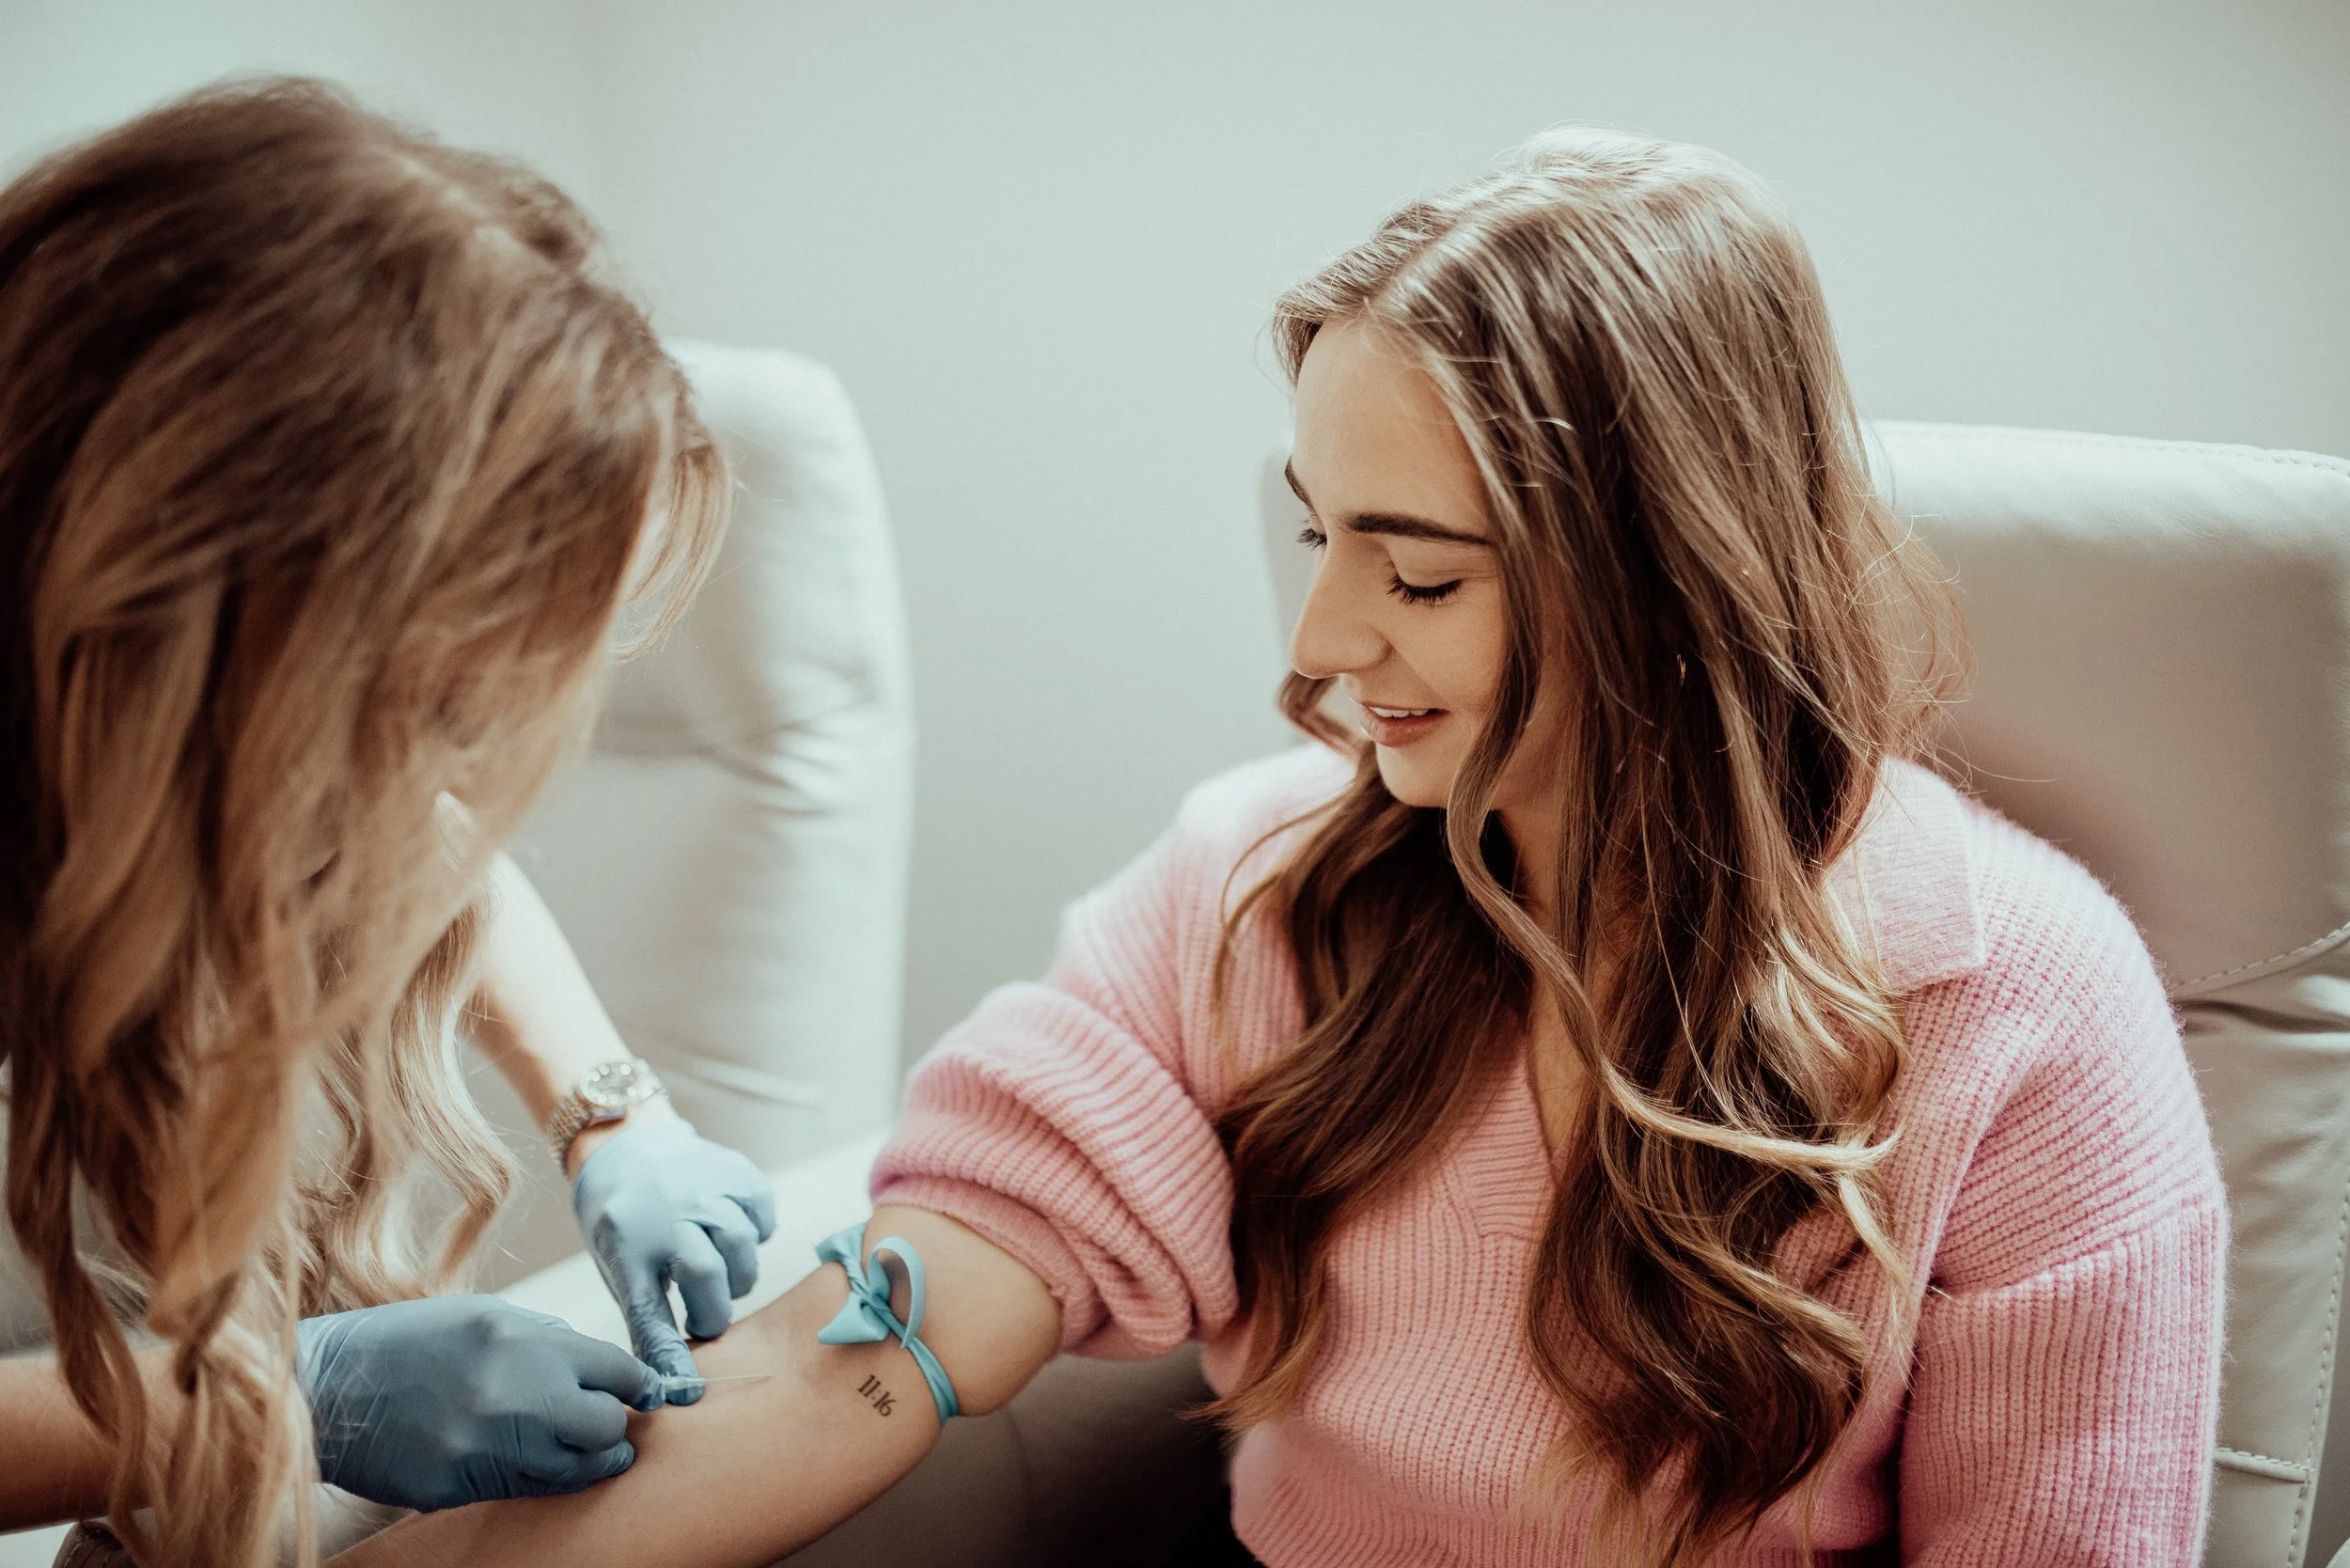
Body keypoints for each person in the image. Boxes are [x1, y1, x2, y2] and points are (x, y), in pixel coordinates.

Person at [332, 129, 2226, 1568]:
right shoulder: (1260, 887)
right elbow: (869, 1347)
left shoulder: (2023, 1017)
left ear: (1666, 579)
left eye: (1412, 569)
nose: (1314, 645)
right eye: (1316, 531)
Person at [0, 80, 781, 1566]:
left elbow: (422, 845)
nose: (446, 780)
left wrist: (615, 1113)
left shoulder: (189, 773)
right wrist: (269, 1397)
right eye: (430, 707)